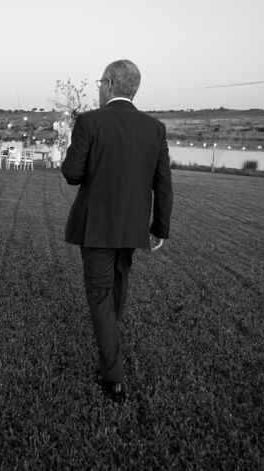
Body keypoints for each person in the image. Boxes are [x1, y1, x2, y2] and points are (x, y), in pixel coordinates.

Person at [61, 60, 173, 403]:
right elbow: (163, 183)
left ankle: (112, 375)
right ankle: (110, 344)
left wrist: (76, 150)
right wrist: (160, 229)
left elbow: (72, 173)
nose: (98, 88)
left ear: (109, 84)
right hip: (132, 227)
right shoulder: (155, 127)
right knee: (116, 289)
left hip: (97, 226)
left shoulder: (89, 122)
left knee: (99, 295)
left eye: (99, 82)